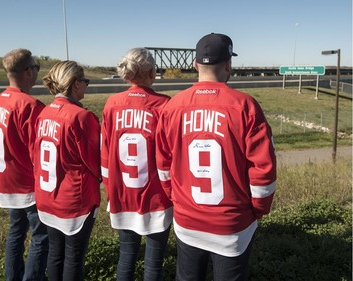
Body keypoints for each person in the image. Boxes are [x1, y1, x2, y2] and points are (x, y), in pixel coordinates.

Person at [155, 33, 277, 281]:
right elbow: (263, 169)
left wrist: (176, 199)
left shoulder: (172, 107)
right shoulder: (246, 106)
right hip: (231, 224)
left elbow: (163, 166)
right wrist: (258, 210)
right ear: (228, 64)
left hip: (188, 219)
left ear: (195, 65)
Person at [100, 48, 173, 281]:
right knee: (153, 263)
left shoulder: (112, 103)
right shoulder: (163, 105)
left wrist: (110, 189)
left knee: (126, 256)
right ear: (151, 72)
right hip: (156, 194)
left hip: (123, 192)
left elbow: (105, 152)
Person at [33, 61, 101, 281]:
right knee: (73, 257)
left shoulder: (44, 113)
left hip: (47, 195)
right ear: (75, 84)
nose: (86, 86)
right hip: (73, 200)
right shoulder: (81, 116)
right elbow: (94, 162)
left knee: (55, 253)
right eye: (85, 81)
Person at [0, 48, 49, 281]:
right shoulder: (30, 105)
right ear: (27, 72)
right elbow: (37, 150)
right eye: (36, 67)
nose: (36, 72)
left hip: (7, 178)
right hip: (27, 182)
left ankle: (12, 275)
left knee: (16, 231)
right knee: (40, 235)